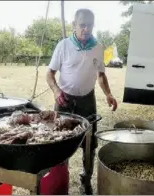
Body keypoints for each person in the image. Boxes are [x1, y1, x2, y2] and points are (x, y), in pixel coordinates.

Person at [46, 8, 118, 195]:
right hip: (64, 101)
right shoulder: (63, 46)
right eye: (82, 25)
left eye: (90, 25)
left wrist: (108, 94)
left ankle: (86, 180)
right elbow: (50, 73)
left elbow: (101, 75)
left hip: (87, 100)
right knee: (60, 141)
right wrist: (56, 91)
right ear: (74, 25)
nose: (86, 29)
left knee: (90, 143)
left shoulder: (98, 47)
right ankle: (60, 180)